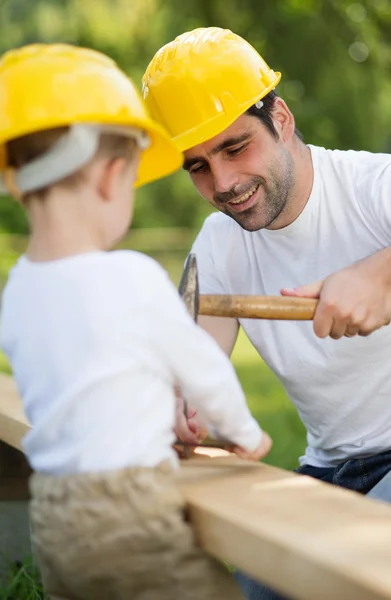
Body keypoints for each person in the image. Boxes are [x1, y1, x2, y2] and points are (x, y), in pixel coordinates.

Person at [142, 26, 391, 600]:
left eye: (234, 147)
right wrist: (180, 408)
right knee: (264, 576)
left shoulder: (387, 188)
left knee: (360, 569)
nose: (223, 183)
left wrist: (389, 272)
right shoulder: (219, 244)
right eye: (197, 166)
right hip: (329, 467)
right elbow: (194, 371)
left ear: (280, 118)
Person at [0, 43, 272, 600]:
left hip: (54, 515)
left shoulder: (18, 290)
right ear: (110, 178)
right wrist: (246, 434)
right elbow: (205, 374)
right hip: (129, 512)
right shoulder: (132, 275)